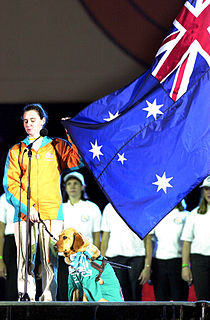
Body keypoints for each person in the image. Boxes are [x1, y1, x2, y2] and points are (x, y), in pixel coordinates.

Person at [3, 103, 82, 301]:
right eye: (25, 121)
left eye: (33, 120)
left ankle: (48, 299)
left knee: (49, 260)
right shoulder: (17, 150)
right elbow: (10, 185)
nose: (28, 124)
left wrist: (70, 132)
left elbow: (77, 161)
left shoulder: (56, 145)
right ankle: (25, 297)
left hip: (51, 212)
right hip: (23, 214)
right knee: (24, 260)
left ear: (43, 121)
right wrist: (26, 207)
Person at [57, 171, 101, 301]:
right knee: (65, 292)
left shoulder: (92, 208)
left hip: (86, 259)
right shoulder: (60, 208)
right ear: (65, 187)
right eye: (69, 183)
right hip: (65, 260)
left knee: (86, 294)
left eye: (76, 183)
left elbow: (97, 235)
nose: (72, 186)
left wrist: (96, 259)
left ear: (83, 187)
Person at [100, 203, 152, 301]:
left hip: (137, 257)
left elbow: (148, 239)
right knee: (119, 295)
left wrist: (147, 267)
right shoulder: (109, 207)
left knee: (135, 294)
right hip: (115, 257)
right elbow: (105, 236)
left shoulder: (142, 206)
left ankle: (135, 316)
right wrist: (101, 263)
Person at [150, 202, 189, 301]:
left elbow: (188, 242)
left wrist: (186, 266)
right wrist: (148, 266)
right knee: (161, 300)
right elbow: (150, 241)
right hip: (158, 263)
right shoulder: (156, 215)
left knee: (179, 300)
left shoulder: (186, 215)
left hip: (178, 261)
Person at [181, 175, 210, 301]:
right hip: (200, 262)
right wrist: (185, 266)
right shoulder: (194, 214)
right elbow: (186, 243)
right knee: (202, 300)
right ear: (202, 191)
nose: (209, 192)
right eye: (206, 189)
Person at [0, 193, 18, 301]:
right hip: (11, 243)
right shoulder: (4, 197)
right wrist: (0, 259)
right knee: (12, 284)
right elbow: (1, 230)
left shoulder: (32, 193)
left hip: (30, 242)